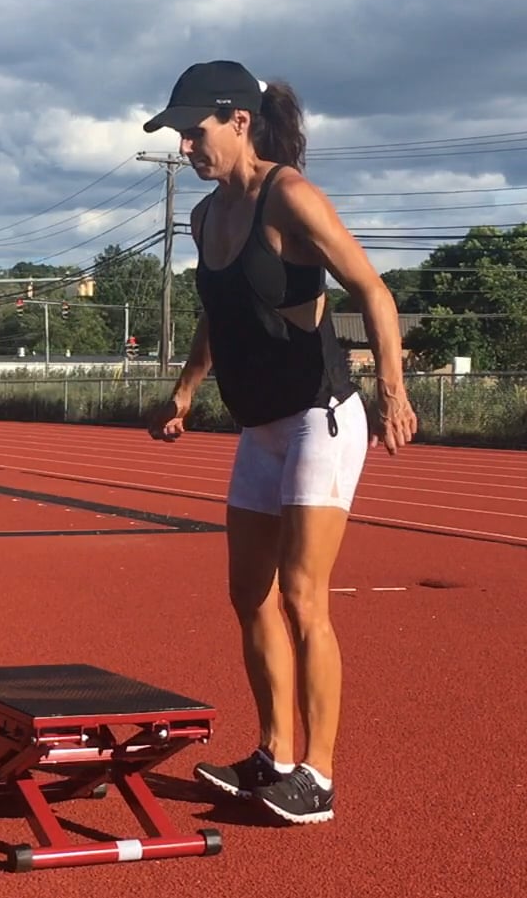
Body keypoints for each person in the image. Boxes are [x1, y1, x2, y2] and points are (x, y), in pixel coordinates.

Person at [140, 60, 418, 824]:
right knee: (247, 593)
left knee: (302, 594)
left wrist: (392, 389)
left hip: (318, 416)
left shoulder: (288, 195)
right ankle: (274, 755)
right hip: (258, 425)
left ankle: (319, 777)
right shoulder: (204, 219)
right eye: (177, 136)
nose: (186, 148)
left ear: (238, 121)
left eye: (193, 132)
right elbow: (216, 313)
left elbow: (373, 289)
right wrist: (187, 391)